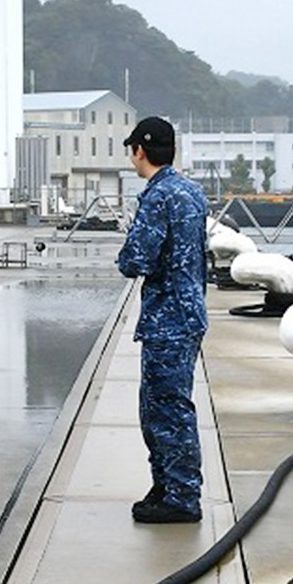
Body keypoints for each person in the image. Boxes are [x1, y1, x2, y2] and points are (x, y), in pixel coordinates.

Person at [117, 116, 209, 524]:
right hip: (189, 311)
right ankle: (169, 486)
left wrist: (125, 252)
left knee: (165, 410)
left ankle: (181, 496)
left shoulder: (156, 197)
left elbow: (136, 259)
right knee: (168, 405)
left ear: (140, 150)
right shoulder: (191, 190)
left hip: (167, 318)